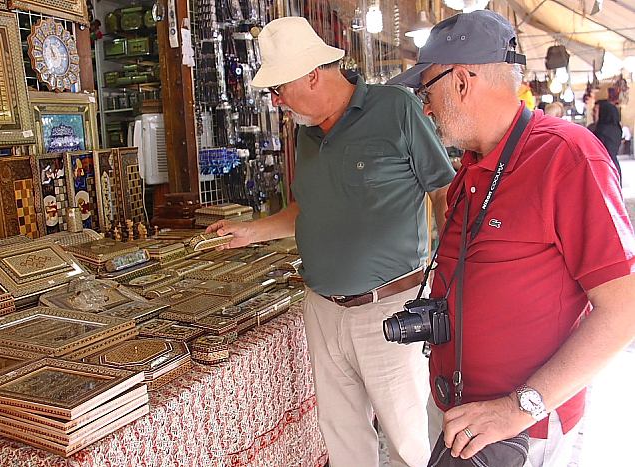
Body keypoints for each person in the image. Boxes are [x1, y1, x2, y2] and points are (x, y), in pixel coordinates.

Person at [390, 10, 635, 467]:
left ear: (462, 81)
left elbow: (623, 311)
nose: (425, 107)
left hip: (522, 431)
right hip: (460, 417)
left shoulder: (567, 156)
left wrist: (516, 408)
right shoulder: (471, 166)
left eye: (427, 90)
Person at [206, 16, 455, 467]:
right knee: (342, 440)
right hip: (322, 308)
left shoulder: (395, 108)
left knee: (406, 442)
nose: (276, 101)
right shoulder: (305, 133)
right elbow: (307, 208)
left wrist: (450, 273)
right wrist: (252, 231)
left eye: (279, 89)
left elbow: (442, 190)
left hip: (389, 307)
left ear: (313, 74)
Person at [592, 99, 622, 182]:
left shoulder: (602, 131)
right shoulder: (616, 128)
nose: (592, 114)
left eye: (595, 111)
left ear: (603, 113)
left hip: (604, 171)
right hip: (613, 168)